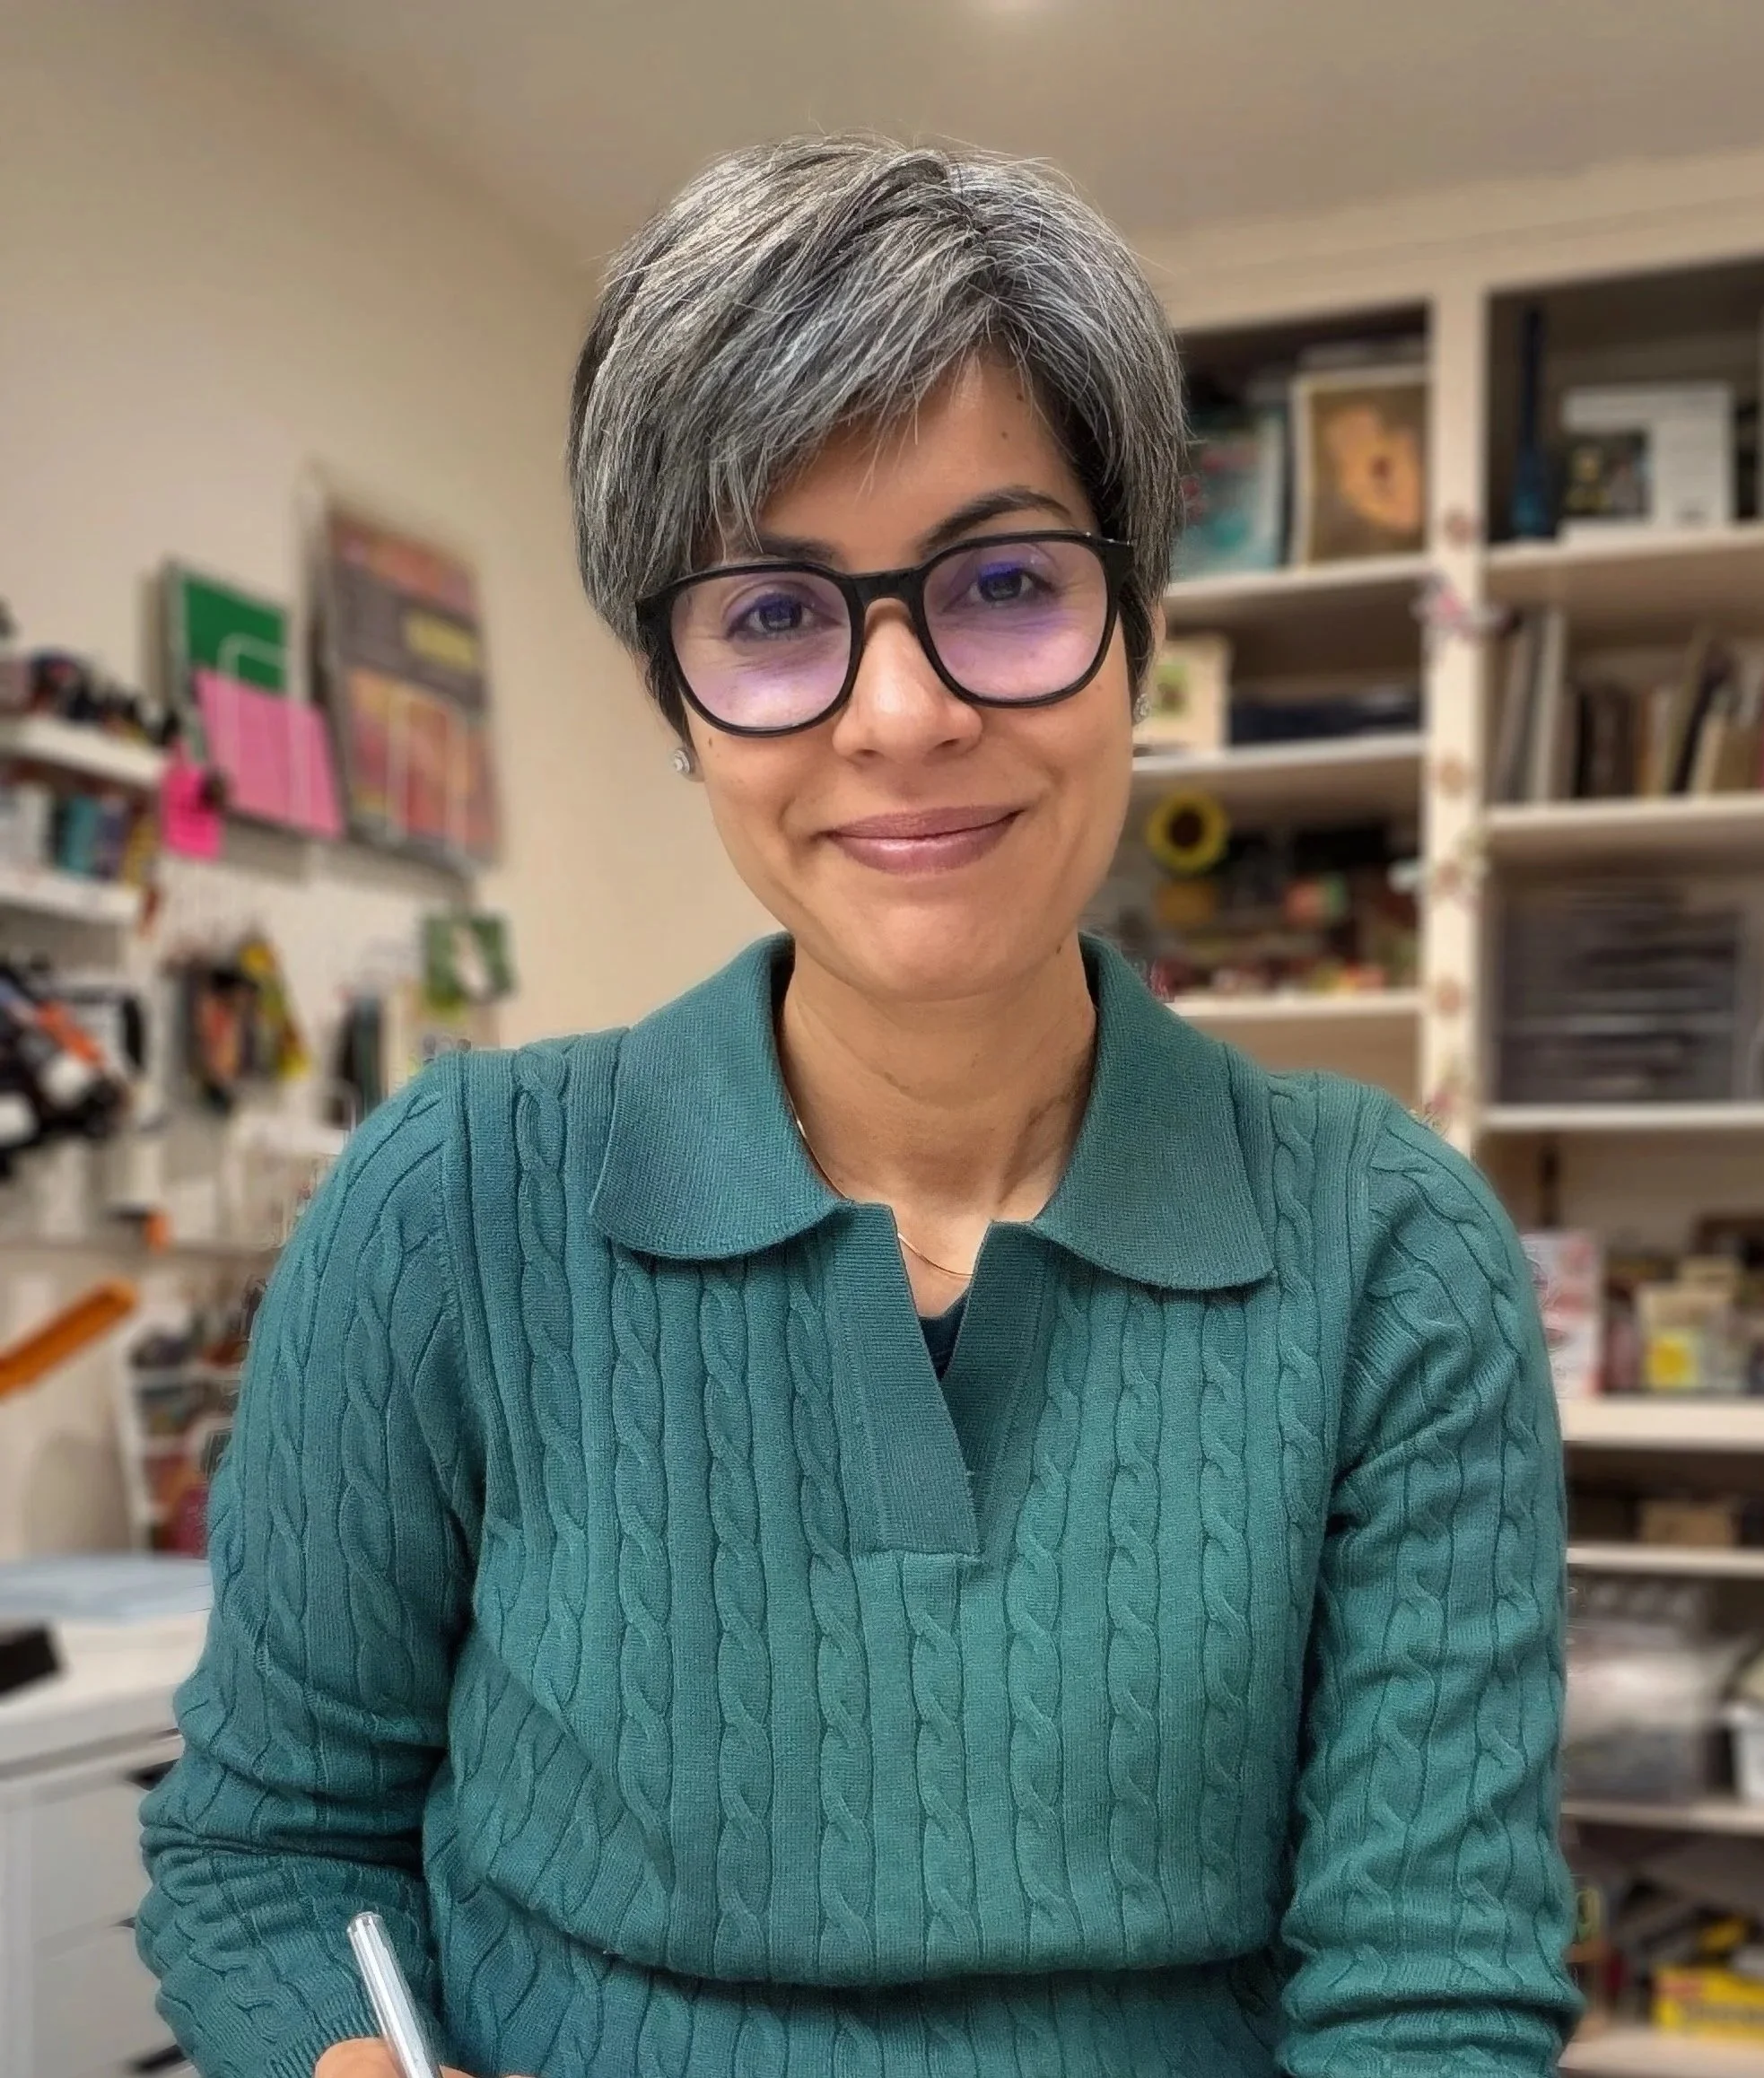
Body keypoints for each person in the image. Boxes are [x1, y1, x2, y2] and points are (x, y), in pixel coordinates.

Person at [138, 135, 1580, 2078]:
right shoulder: (446, 1206)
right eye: (774, 616)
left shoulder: (1393, 1256)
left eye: (1001, 582)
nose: (899, 714)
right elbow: (266, 1843)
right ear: (679, 704)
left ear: (1135, 633)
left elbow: (1433, 1989)